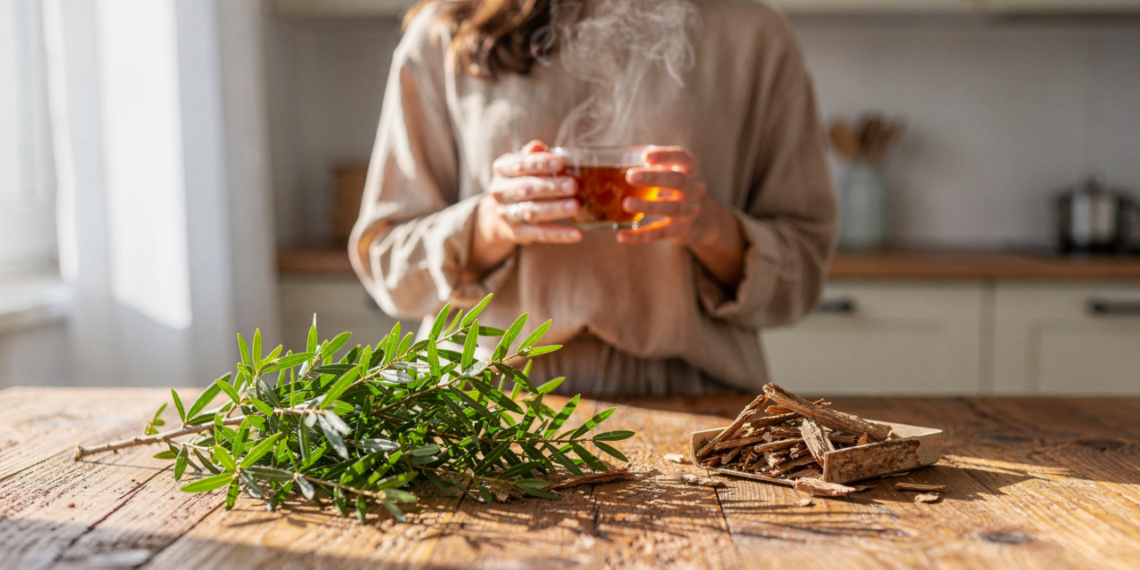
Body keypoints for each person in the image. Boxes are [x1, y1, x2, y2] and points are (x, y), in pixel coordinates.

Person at [349, 0, 837, 395]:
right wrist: (490, 225)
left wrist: (709, 228)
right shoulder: (445, 32)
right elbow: (387, 259)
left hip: (698, 395)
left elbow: (805, 263)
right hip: (484, 396)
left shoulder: (754, 35)